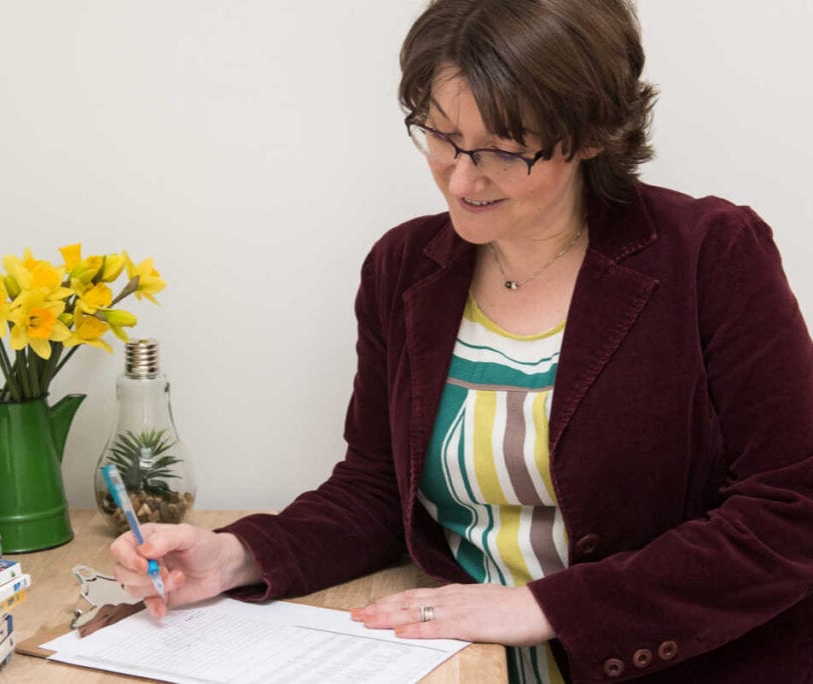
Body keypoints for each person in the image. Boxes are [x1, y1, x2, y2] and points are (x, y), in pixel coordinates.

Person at [110, 1, 813, 681]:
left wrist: (543, 606)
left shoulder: (710, 255)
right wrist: (235, 555)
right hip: (465, 663)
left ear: (594, 134)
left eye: (504, 151)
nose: (463, 176)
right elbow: (379, 488)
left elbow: (790, 509)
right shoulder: (405, 267)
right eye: (442, 135)